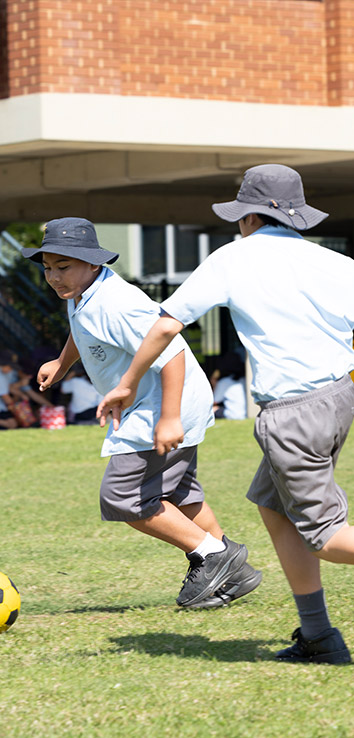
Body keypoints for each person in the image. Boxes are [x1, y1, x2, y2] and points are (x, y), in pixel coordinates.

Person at [97, 164, 354, 663]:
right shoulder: (334, 262)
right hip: (337, 399)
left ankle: (321, 636)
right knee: (273, 506)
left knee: (322, 536)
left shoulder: (233, 259)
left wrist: (128, 381)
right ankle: (319, 635)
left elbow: (167, 326)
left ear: (248, 218)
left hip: (292, 412)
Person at [22, 217, 261, 609]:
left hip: (166, 403)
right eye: (48, 267)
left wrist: (168, 418)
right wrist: (62, 363)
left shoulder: (117, 304)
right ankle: (230, 570)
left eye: (63, 267)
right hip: (166, 402)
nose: (53, 277)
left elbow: (173, 354)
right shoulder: (82, 293)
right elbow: (83, 329)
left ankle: (212, 556)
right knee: (177, 492)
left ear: (92, 263)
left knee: (124, 497)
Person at [0, 349, 19, 430]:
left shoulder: (8, 372)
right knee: (11, 424)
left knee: (12, 423)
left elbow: (9, 387)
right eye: (8, 366)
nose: (10, 369)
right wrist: (17, 410)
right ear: (1, 364)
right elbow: (6, 397)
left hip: (1, 406)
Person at [212, 350, 247, 420]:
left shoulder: (224, 382)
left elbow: (214, 402)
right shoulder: (244, 380)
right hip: (246, 414)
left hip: (233, 414)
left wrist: (213, 381)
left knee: (213, 409)